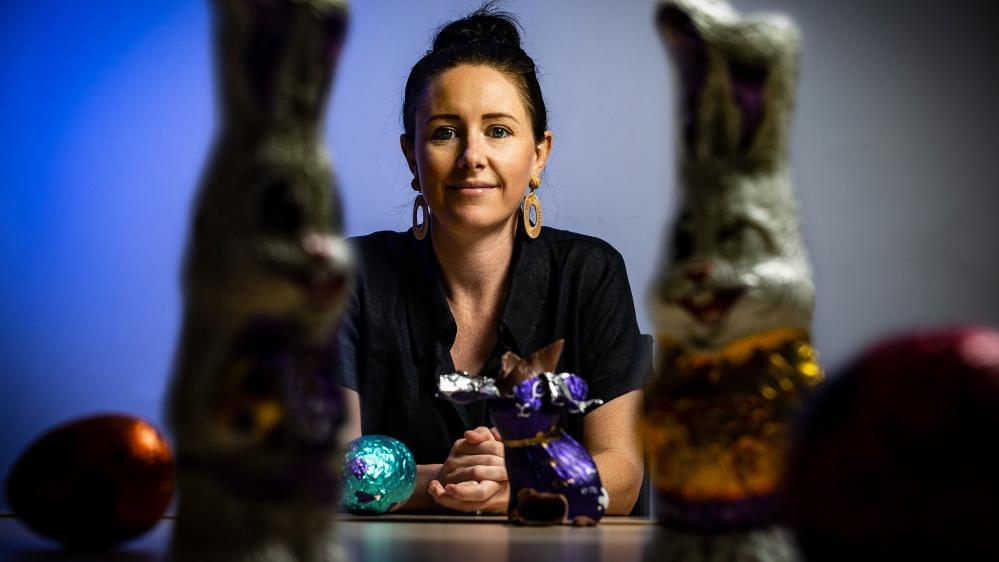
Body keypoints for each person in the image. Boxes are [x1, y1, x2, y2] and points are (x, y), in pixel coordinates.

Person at [336, 5, 646, 515]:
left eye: (498, 130)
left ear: (539, 154)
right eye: (443, 132)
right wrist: (450, 483)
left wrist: (525, 481)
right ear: (412, 157)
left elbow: (623, 472)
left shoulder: (590, 273)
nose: (471, 156)